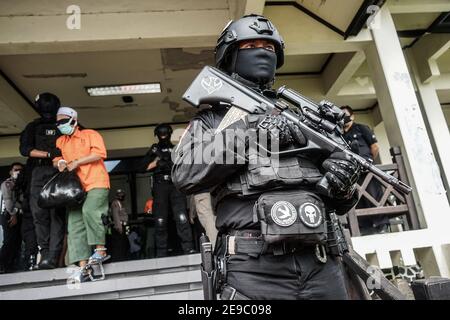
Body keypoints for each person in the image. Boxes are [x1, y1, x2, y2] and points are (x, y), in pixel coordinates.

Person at [172, 14, 361, 300]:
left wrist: (343, 184)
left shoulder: (303, 120)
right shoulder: (213, 120)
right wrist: (249, 131)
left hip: (321, 261)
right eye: (251, 45)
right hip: (252, 269)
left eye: (269, 47)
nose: (262, 51)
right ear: (231, 55)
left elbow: (340, 202)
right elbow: (185, 173)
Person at [53, 107, 110, 282]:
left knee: (90, 211)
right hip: (76, 189)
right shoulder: (60, 141)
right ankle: (83, 265)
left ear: (74, 120)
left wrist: (76, 162)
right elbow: (56, 159)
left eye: (64, 121)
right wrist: (61, 162)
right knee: (74, 223)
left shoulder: (90, 134)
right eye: (58, 122)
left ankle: (100, 250)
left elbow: (100, 153)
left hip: (96, 182)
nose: (60, 125)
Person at [19, 92, 65, 269]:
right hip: (42, 170)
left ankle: (50, 256)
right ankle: (47, 255)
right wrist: (49, 154)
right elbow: (25, 149)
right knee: (44, 215)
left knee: (52, 216)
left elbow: (25, 149)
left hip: (54, 170)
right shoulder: (34, 127)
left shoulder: (60, 125)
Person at [143, 124, 194, 257]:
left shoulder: (176, 149)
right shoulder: (154, 149)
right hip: (160, 185)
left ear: (170, 133)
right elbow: (143, 166)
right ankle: (161, 253)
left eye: (165, 133)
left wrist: (170, 162)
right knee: (160, 219)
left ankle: (188, 248)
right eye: (161, 133)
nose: (163, 135)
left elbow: (184, 167)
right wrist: (159, 163)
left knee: (182, 217)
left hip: (175, 185)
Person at [341, 106, 387, 235]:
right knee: (358, 198)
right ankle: (365, 227)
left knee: (373, 195)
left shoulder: (361, 128)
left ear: (352, 116)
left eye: (345, 115)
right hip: (353, 172)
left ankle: (381, 225)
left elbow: (375, 147)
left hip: (367, 169)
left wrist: (369, 160)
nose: (343, 118)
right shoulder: (340, 134)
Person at [0, 163, 24, 273]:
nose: (18, 172)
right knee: (9, 241)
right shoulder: (7, 184)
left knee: (17, 241)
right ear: (11, 171)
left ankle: (12, 265)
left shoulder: (22, 183)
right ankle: (2, 264)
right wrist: (13, 214)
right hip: (9, 215)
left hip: (20, 215)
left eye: (20, 170)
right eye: (16, 170)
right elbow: (8, 200)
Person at [108, 189, 130, 262]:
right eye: (119, 195)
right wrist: (119, 227)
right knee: (119, 245)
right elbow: (115, 215)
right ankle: (119, 260)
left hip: (123, 226)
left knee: (124, 244)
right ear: (116, 196)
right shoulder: (115, 203)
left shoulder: (120, 203)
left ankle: (123, 259)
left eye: (122, 195)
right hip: (119, 227)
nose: (121, 196)